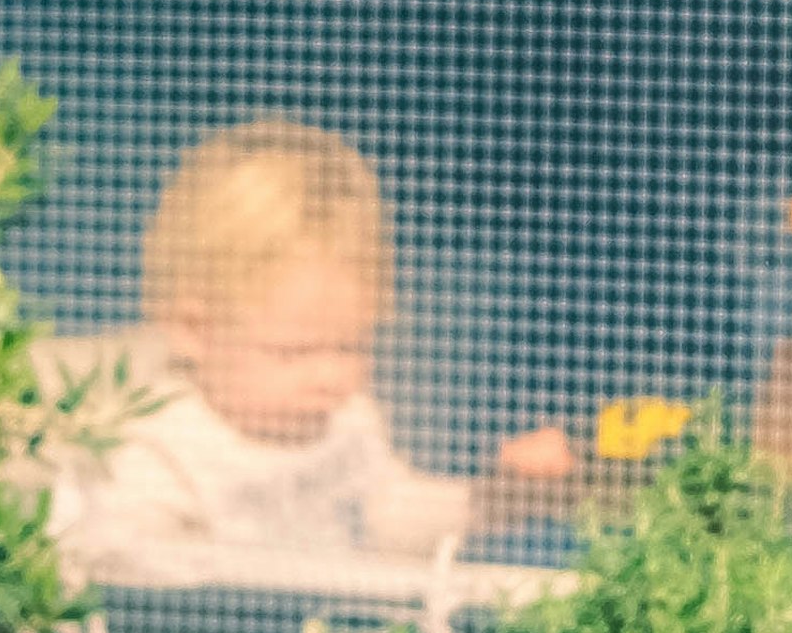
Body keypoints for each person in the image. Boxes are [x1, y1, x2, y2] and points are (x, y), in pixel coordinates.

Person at [56, 119, 568, 591]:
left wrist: (494, 499)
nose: (331, 377)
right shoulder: (161, 444)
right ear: (194, 331)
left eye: (350, 346)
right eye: (293, 353)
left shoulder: (347, 420)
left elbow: (387, 517)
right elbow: (121, 562)